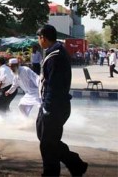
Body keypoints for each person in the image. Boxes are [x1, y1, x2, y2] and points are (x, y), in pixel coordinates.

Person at [36, 25, 87, 176]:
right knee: (45, 138)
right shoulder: (55, 51)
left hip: (54, 106)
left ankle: (52, 173)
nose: (39, 41)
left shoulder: (55, 55)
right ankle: (75, 164)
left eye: (38, 38)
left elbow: (54, 85)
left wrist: (47, 108)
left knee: (47, 144)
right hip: (51, 104)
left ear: (43, 38)